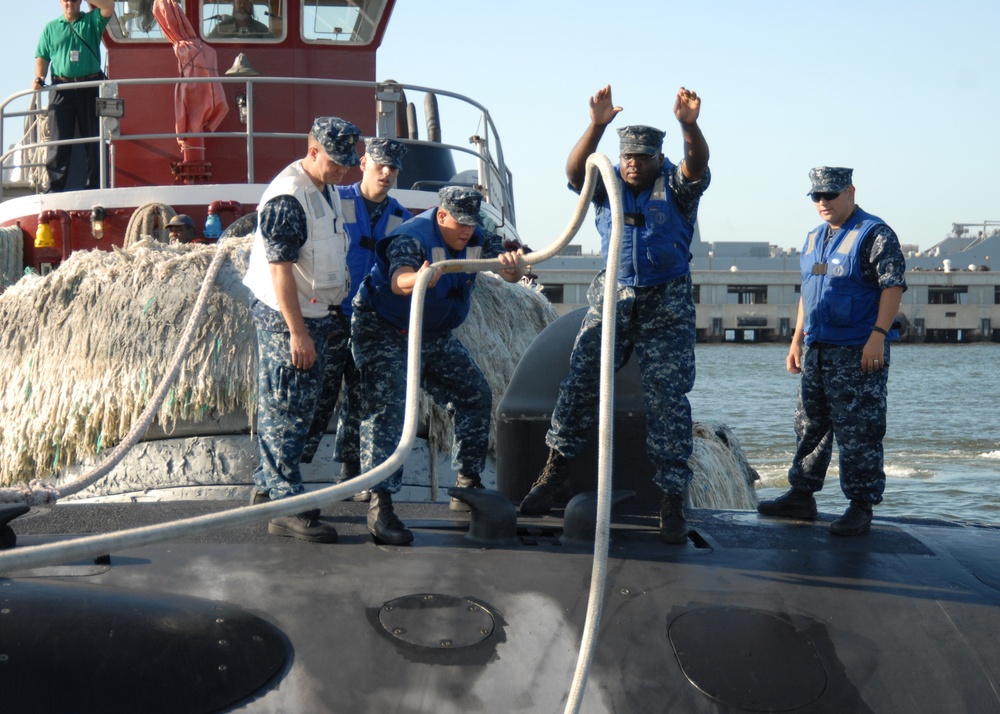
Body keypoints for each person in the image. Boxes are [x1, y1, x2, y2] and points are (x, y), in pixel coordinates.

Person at [518, 85, 710, 546]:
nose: (631, 164)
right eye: (626, 156)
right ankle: (554, 473)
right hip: (614, 293)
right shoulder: (607, 184)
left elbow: (697, 163)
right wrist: (597, 126)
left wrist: (689, 124)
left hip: (666, 299)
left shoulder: (677, 185)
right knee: (581, 379)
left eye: (641, 158)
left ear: (657, 158)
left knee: (668, 399)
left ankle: (670, 499)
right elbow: (573, 170)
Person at [351, 187, 524, 545]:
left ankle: (467, 482)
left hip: (431, 333)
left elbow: (510, 269)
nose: (466, 231)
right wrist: (421, 278)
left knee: (475, 394)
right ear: (441, 216)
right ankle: (380, 503)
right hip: (384, 328)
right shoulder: (411, 238)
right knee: (391, 408)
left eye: (471, 224)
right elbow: (399, 281)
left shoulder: (474, 237)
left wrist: (514, 269)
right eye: (459, 223)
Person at [757, 167, 906, 536]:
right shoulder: (813, 239)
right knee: (809, 425)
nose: (822, 202)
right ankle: (801, 494)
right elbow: (808, 293)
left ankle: (860, 505)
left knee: (859, 431)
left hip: (857, 350)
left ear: (850, 192)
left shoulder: (874, 234)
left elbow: (893, 287)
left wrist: (878, 335)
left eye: (830, 195)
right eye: (816, 197)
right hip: (817, 349)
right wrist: (796, 340)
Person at [242, 116, 361, 543]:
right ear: (313, 151)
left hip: (319, 312)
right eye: (335, 160)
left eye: (348, 161)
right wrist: (297, 333)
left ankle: (267, 484)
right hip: (287, 317)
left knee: (311, 402)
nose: (343, 169)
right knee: (287, 405)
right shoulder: (288, 197)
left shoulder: (324, 187)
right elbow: (280, 272)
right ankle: (284, 502)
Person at [301, 137, 413, 502]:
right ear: (363, 162)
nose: (387, 173)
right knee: (317, 396)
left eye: (393, 168)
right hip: (330, 316)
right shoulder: (333, 199)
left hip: (373, 321)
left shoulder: (403, 219)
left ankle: (350, 473)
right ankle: (285, 473)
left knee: (362, 397)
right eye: (380, 164)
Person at [34, 0, 114, 193]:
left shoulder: (92, 21)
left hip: (90, 85)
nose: (69, 3)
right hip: (62, 88)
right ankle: (55, 187)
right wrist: (39, 78)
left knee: (93, 137)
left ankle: (97, 185)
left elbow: (108, 6)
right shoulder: (51, 28)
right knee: (58, 140)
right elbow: (42, 57)